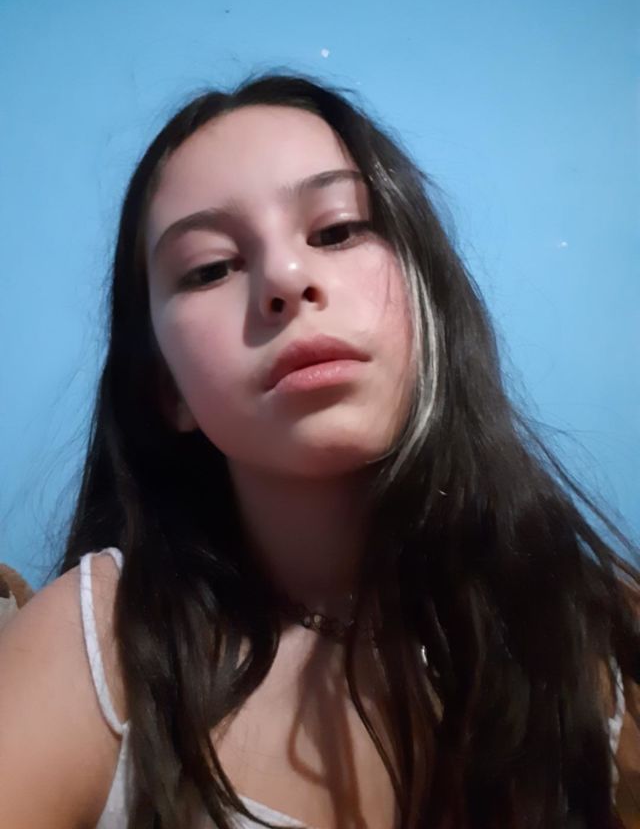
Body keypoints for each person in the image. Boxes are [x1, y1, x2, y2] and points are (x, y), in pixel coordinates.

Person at [0, 71, 638, 829]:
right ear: (167, 389)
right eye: (210, 267)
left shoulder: (587, 632)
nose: (286, 277)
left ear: (429, 302)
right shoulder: (97, 647)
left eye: (337, 231)